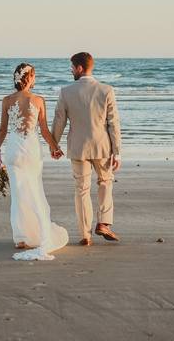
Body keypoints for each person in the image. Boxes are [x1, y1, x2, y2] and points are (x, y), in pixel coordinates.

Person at [0, 63, 69, 260]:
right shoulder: (38, 100)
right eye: (34, 76)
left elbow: (2, 129)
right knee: (34, 189)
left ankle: (20, 237)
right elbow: (43, 130)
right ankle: (39, 230)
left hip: (14, 149)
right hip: (32, 149)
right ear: (30, 78)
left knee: (18, 193)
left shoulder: (7, 101)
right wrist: (55, 147)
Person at [51, 52, 123, 246]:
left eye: (72, 67)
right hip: (102, 146)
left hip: (78, 147)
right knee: (105, 182)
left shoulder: (66, 92)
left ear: (80, 68)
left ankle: (85, 234)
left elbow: (59, 120)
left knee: (82, 189)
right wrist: (117, 151)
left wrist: (54, 144)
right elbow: (113, 123)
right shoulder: (106, 90)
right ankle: (104, 223)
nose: (71, 70)